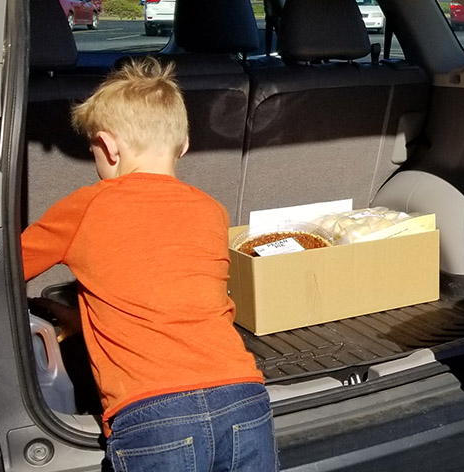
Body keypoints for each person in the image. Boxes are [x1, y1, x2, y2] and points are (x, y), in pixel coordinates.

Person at [22, 57, 277, 471]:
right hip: (243, 399)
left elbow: (1, 267)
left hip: (153, 413)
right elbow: (169, 299)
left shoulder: (87, 205)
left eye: (93, 151)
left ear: (108, 146)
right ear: (184, 146)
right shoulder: (210, 210)